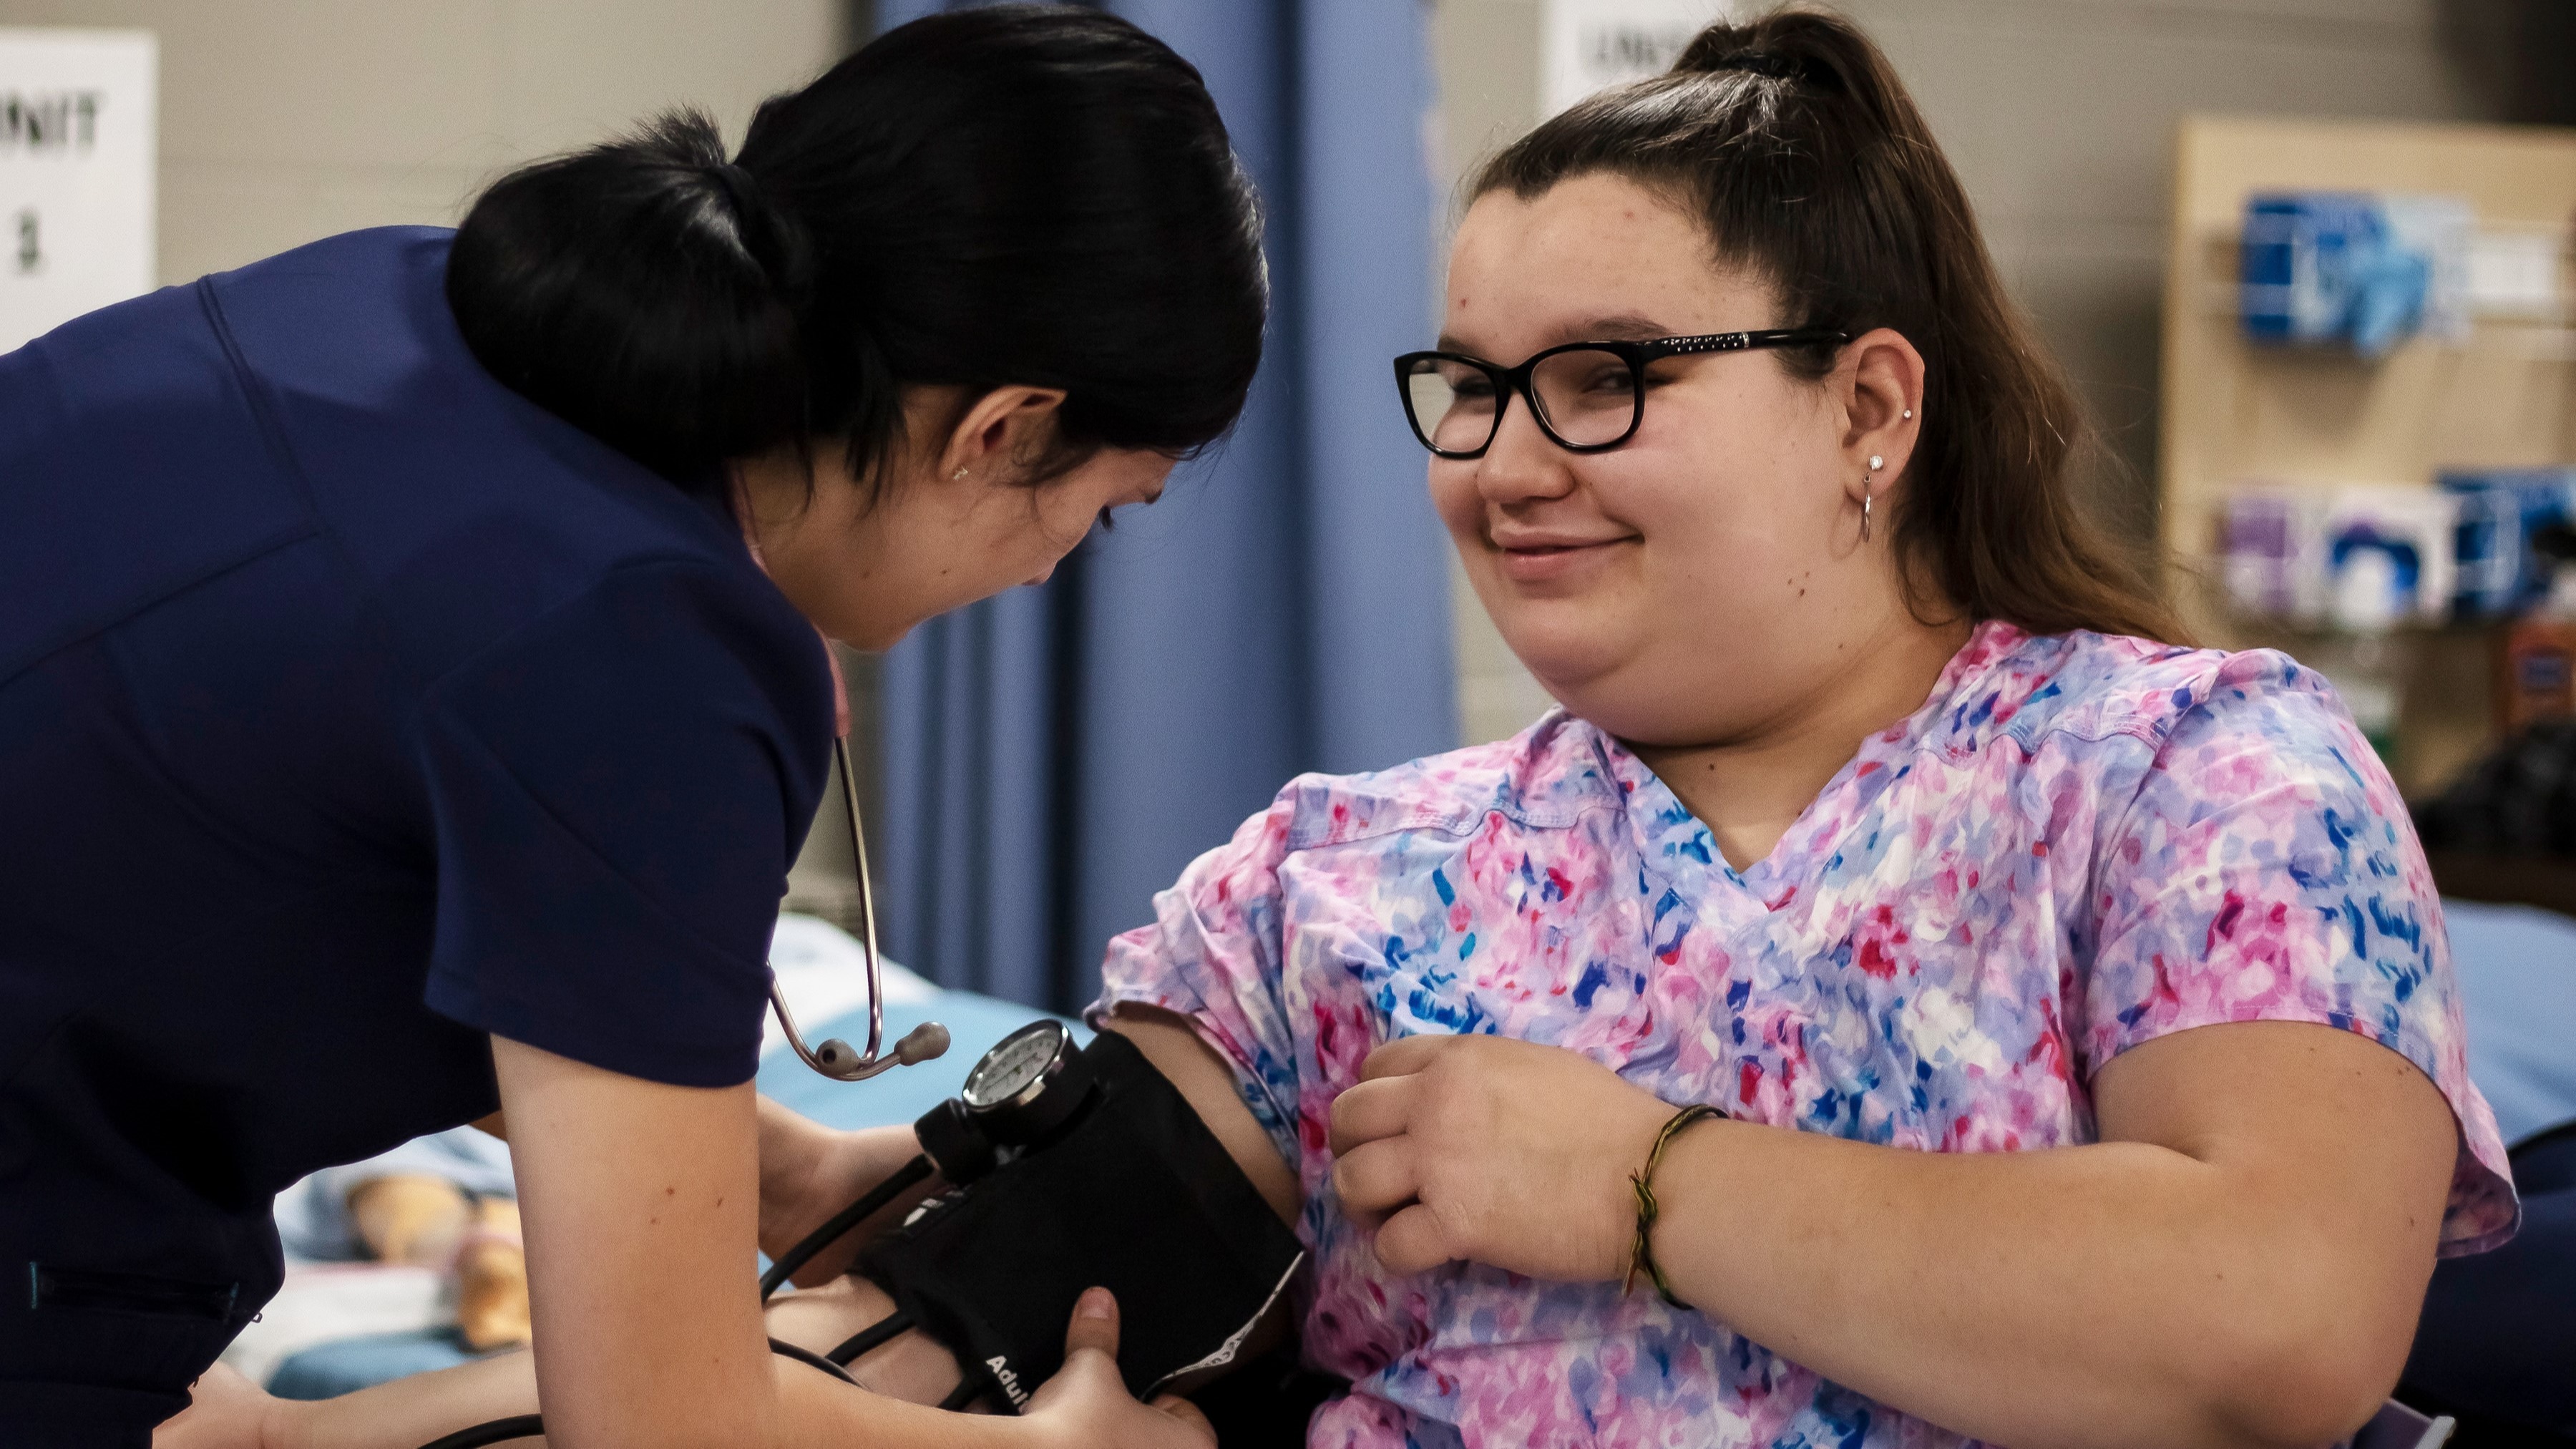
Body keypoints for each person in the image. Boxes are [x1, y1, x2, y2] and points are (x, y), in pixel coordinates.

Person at [1088, 9, 2516, 1448]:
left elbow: (2274, 1321)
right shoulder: (1332, 883)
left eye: (1607, 378)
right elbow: (996, 1305)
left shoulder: (2189, 778)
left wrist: (1642, 1183)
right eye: (1471, 389)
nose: (1506, 464)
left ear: (1867, 407)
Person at [0, 6, 1261, 1447]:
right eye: (1097, 514)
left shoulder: (432, 307)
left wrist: (775, 1164)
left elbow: (294, 842)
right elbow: (662, 1421)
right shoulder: (658, 644)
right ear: (999, 429)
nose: (1046, 569)